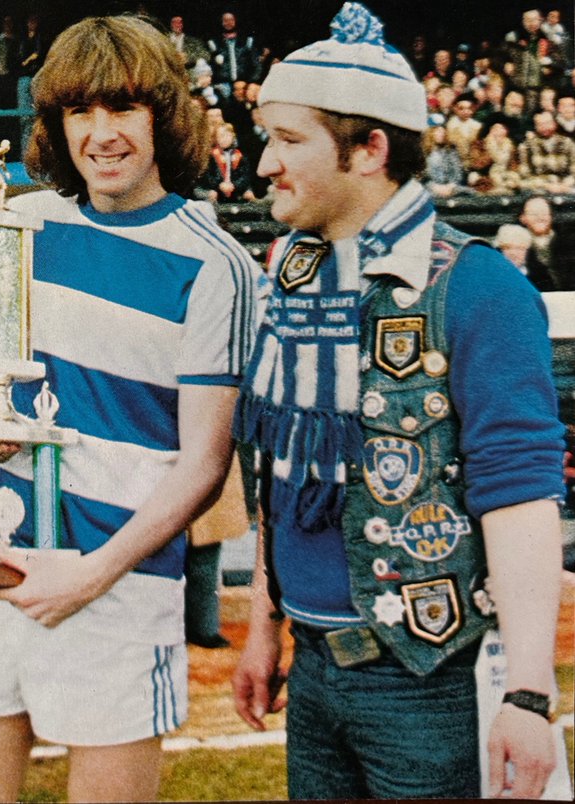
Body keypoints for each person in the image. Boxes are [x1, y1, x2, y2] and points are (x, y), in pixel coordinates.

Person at [230, 5, 566, 799]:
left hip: (429, 680)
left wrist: (526, 693)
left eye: (288, 140)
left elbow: (518, 495)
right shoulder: (294, 275)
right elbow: (279, 478)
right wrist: (261, 628)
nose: (261, 164)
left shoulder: (477, 287)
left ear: (369, 149)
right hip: (313, 668)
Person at [0, 16, 260, 802]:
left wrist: (91, 575)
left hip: (120, 586)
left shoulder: (216, 266)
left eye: (124, 110)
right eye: (80, 111)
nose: (101, 134)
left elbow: (204, 465)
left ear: (165, 118)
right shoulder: (25, 226)